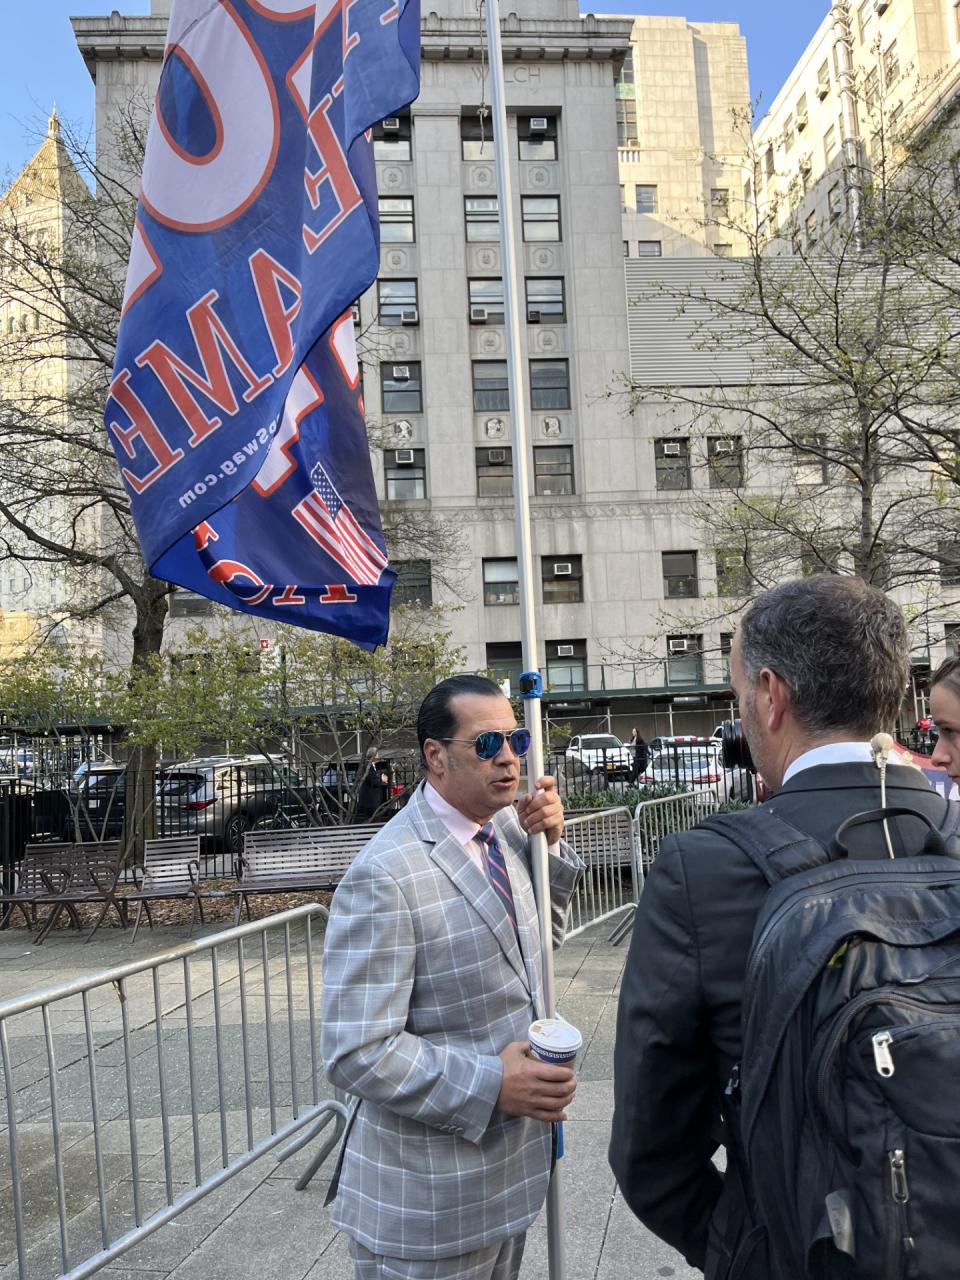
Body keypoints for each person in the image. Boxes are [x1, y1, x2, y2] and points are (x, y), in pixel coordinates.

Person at [609, 576, 950, 1280]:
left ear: (771, 695)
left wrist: (745, 1249)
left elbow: (651, 1147)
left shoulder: (701, 867)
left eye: (739, 697)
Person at [321, 674, 584, 1280]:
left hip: (510, 1184)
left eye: (515, 739)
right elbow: (356, 1051)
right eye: (488, 744)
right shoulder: (385, 875)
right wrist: (493, 1082)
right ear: (434, 757)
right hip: (427, 1212)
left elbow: (535, 954)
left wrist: (549, 849)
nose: (512, 757)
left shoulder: (507, 832)